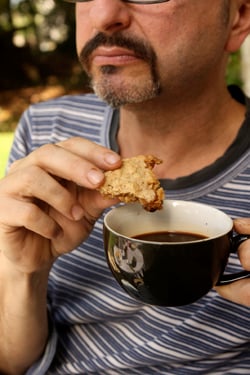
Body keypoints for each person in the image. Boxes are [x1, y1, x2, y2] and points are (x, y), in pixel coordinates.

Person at [0, 0, 250, 373]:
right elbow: (9, 360)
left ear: (237, 18)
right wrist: (24, 272)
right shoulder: (46, 130)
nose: (101, 15)